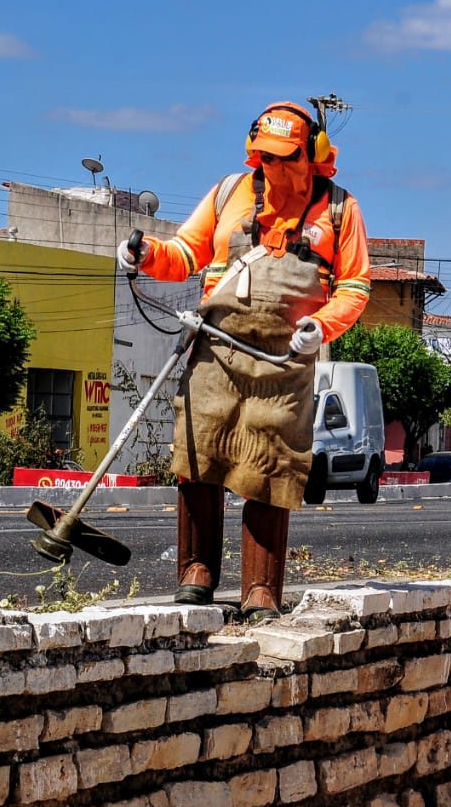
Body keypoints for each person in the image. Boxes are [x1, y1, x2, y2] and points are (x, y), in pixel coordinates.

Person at [118, 101, 371, 621]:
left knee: (271, 469)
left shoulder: (341, 212)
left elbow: (354, 288)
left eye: (284, 158)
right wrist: (145, 258)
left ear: (314, 156)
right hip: (217, 351)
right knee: (198, 456)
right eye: (264, 157)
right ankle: (196, 573)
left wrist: (320, 328)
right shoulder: (231, 192)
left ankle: (260, 590)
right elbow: (185, 254)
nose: (272, 167)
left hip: (284, 365)